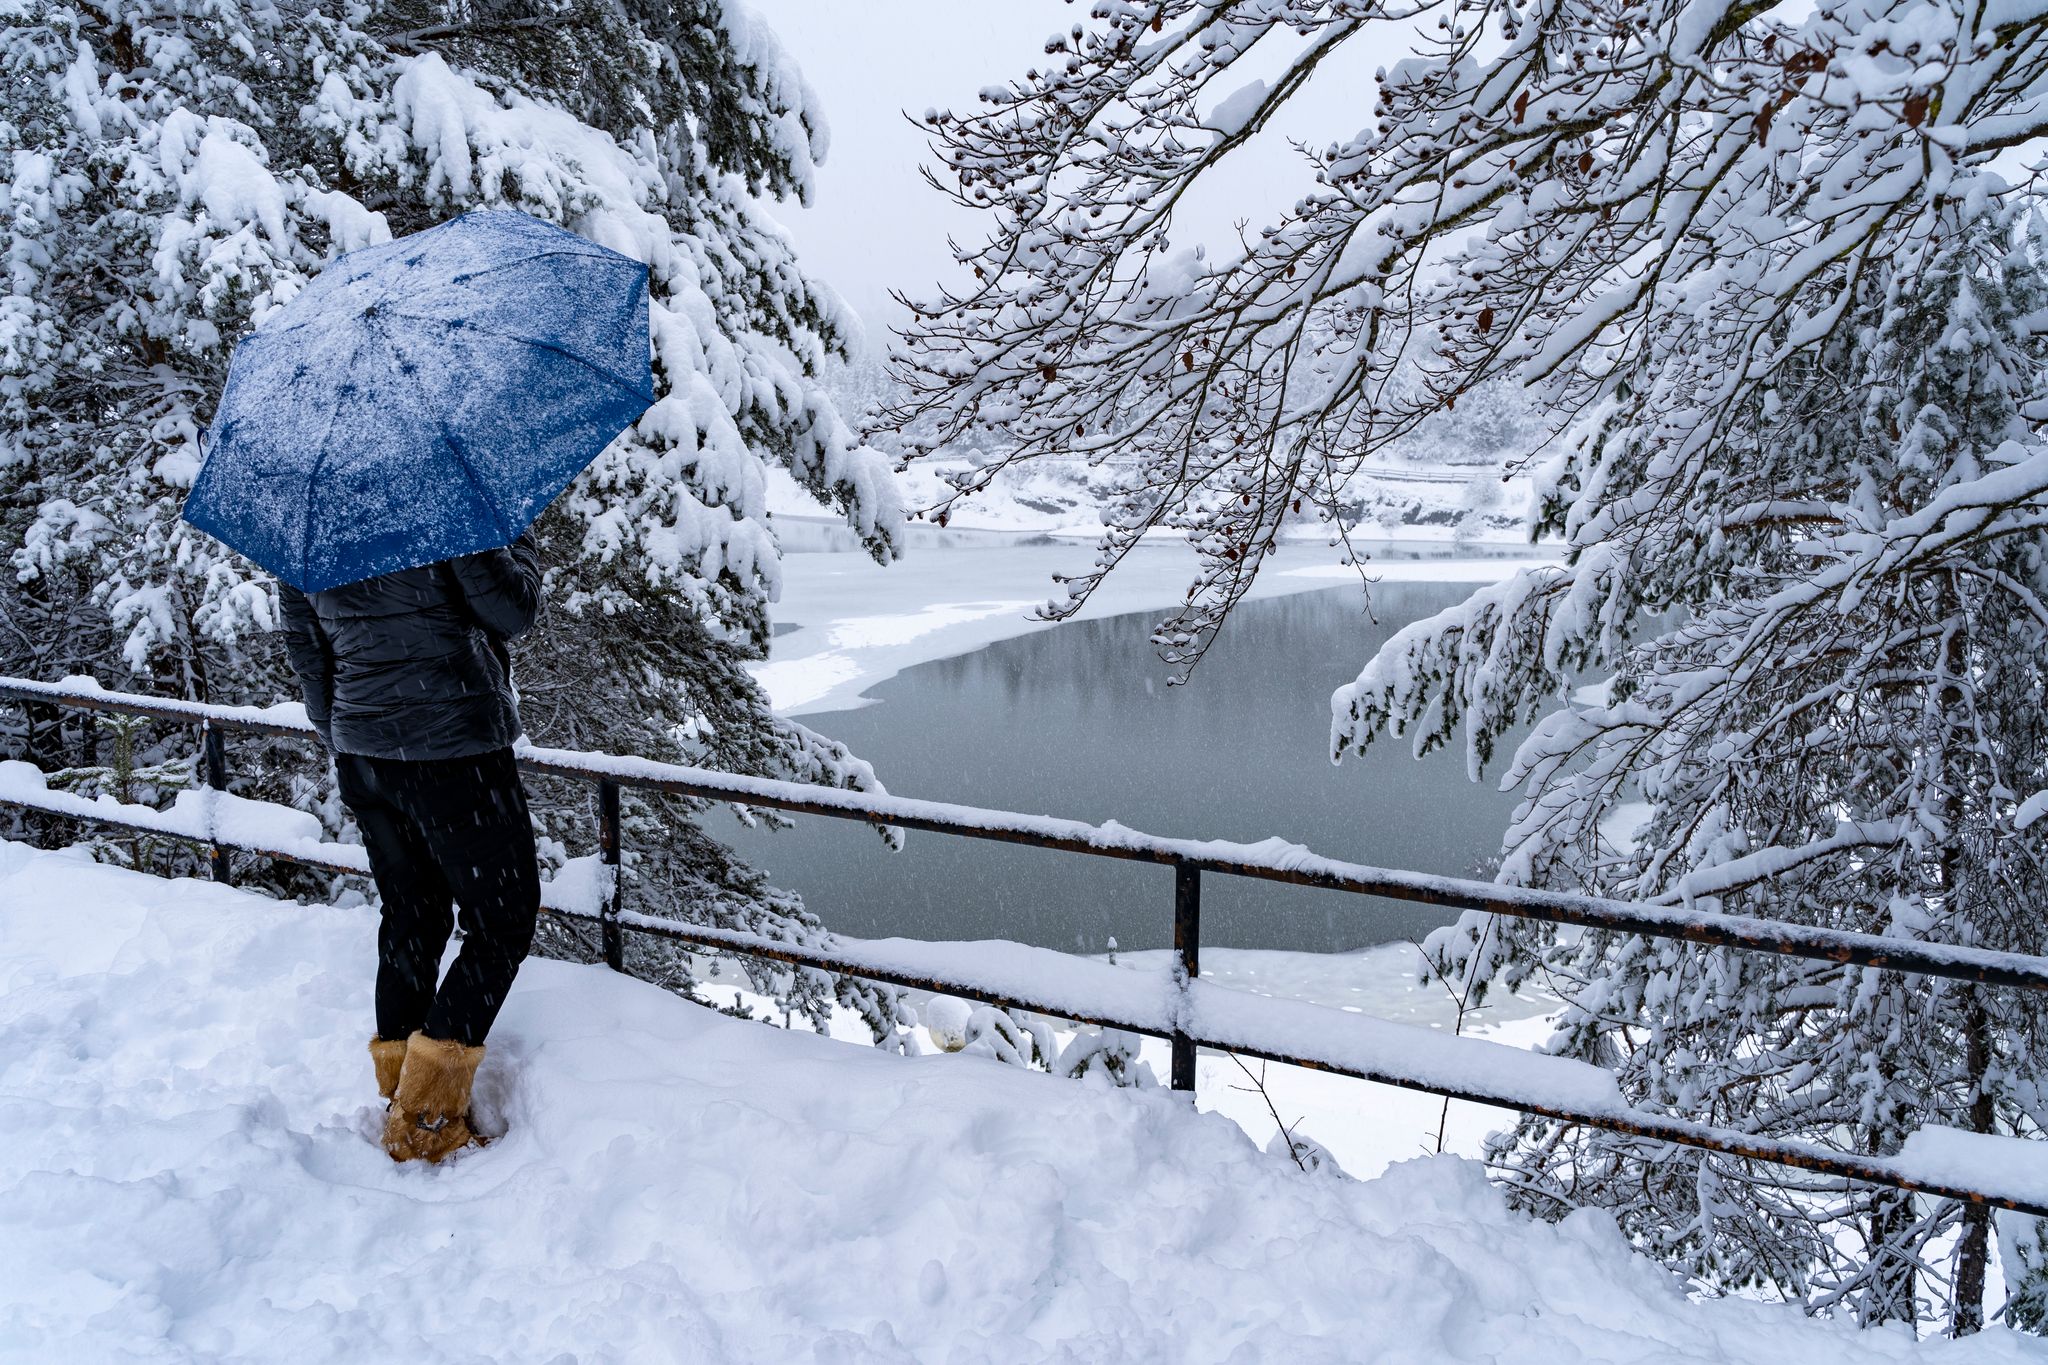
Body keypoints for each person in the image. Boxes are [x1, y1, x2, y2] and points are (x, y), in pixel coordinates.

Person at [277, 532, 544, 1164]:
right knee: (503, 918)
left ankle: (402, 1087)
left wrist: (349, 732)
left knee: (412, 909)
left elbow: (308, 655)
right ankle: (427, 1118)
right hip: (453, 749)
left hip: (365, 755)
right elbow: (514, 612)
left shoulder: (306, 530)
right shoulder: (442, 512)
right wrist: (512, 541)